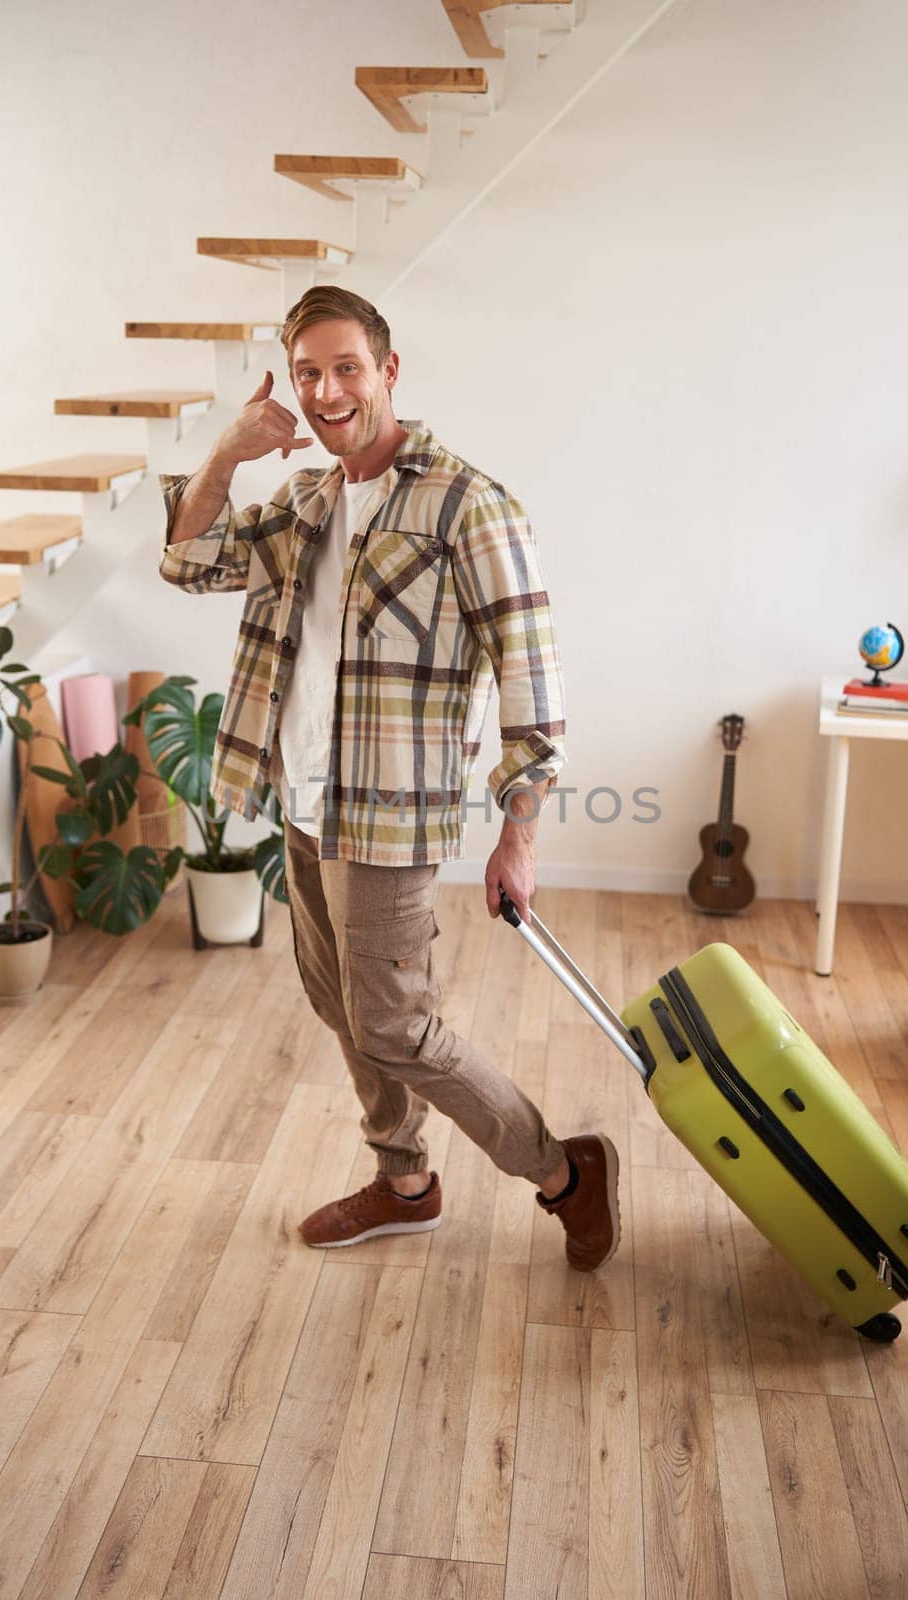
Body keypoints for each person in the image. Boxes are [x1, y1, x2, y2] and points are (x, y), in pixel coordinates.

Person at [158, 285, 620, 1271]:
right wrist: (229, 451)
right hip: (302, 804)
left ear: (388, 371)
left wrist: (517, 833)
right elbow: (189, 561)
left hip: (387, 818)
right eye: (308, 373)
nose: (326, 391)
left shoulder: (467, 502)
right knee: (343, 1010)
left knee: (396, 1025)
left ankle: (561, 1170)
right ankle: (404, 1182)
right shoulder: (305, 500)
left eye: (346, 368)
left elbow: (531, 686)